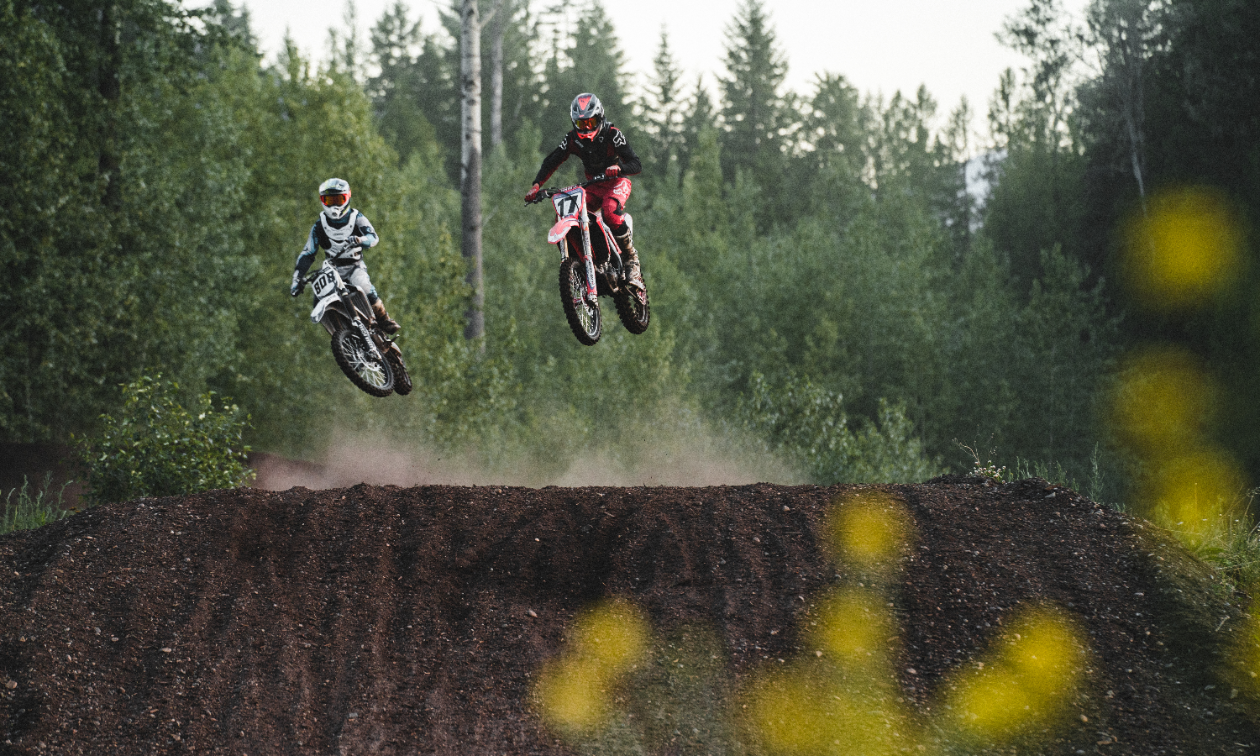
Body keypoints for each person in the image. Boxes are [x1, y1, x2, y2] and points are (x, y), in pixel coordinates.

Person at [525, 93, 644, 289]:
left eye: (591, 122)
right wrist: (537, 184)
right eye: (581, 124)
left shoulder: (612, 134)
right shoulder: (572, 139)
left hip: (616, 182)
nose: (586, 128)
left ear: (600, 118)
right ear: (574, 123)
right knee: (564, 214)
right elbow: (552, 160)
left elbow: (636, 163)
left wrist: (620, 168)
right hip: (592, 186)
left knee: (609, 212)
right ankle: (582, 263)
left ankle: (631, 260)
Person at [290, 178, 400, 334]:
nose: (334, 205)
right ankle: (340, 334)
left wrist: (360, 240)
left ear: (347, 198)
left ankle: (384, 319)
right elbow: (308, 252)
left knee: (364, 285)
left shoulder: (356, 218)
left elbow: (373, 237)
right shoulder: (319, 226)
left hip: (354, 265)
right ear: (322, 201)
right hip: (332, 270)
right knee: (317, 300)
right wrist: (297, 279)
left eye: (338, 199)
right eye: (329, 200)